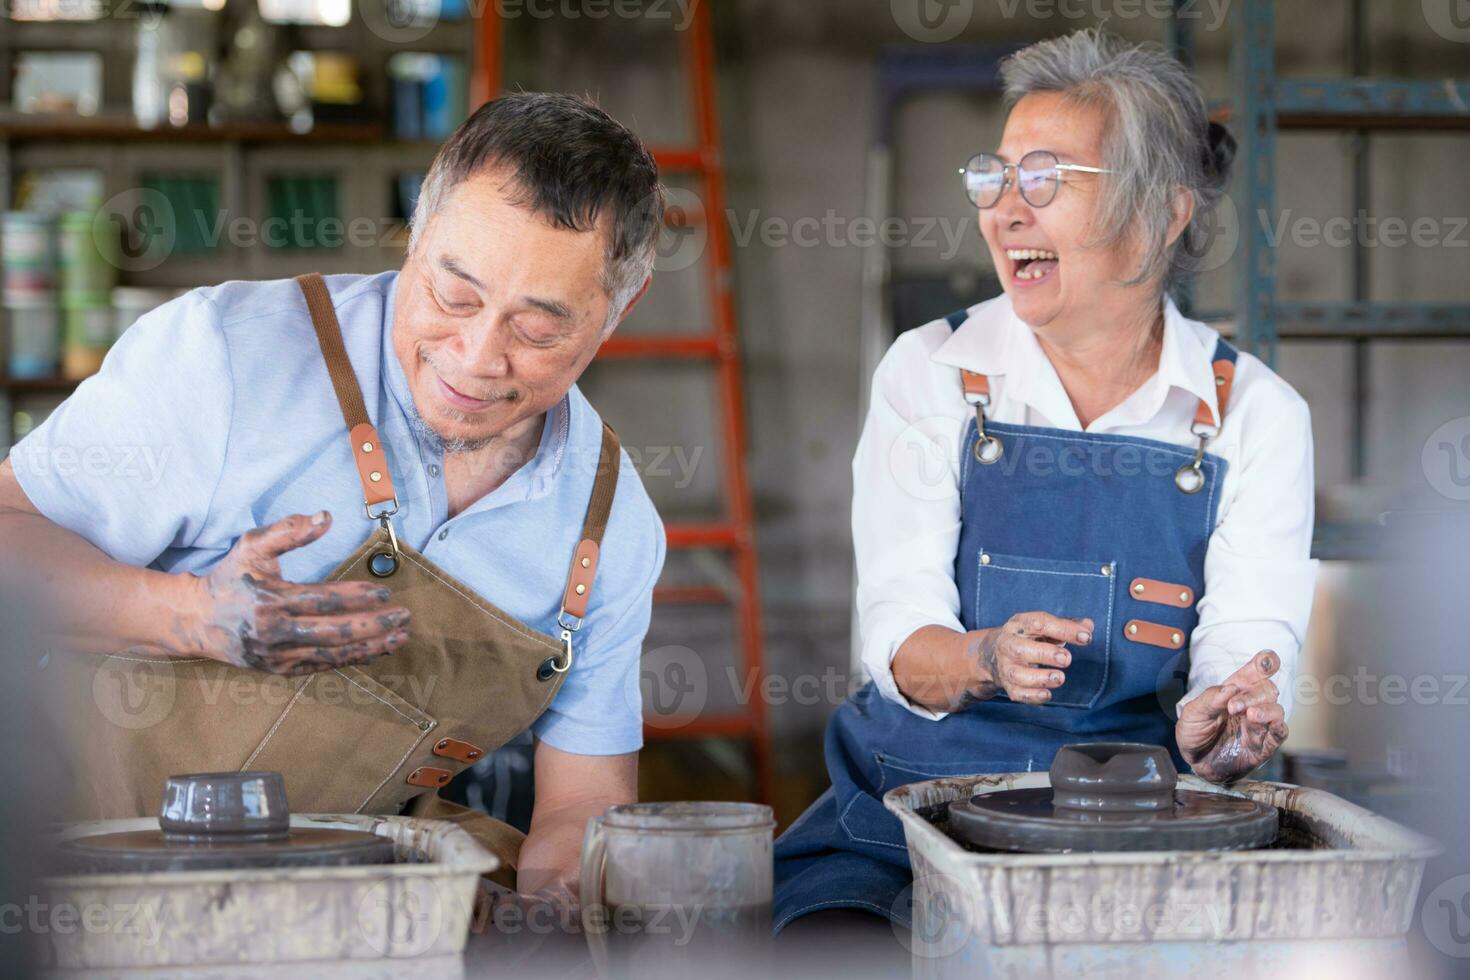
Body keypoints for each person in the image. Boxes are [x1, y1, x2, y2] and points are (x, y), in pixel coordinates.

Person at [0, 93, 667, 912]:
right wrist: (192, 616)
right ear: (415, 234)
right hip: (53, 894)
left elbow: (580, 802)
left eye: (537, 329)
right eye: (453, 294)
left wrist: (565, 907)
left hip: (336, 924)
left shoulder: (608, 525)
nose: (475, 357)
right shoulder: (227, 357)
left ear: (617, 313)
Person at [773, 28, 1317, 934]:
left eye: (1045, 180)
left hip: (1137, 824)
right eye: (995, 177)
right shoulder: (934, 371)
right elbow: (899, 630)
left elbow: (1246, 643)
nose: (1003, 211)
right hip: (909, 812)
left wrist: (1223, 726)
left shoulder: (1252, 414)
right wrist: (984, 658)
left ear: (1161, 214)